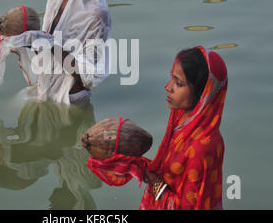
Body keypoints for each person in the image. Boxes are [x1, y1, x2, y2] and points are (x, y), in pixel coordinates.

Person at [86, 46, 228, 210]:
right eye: (172, 78)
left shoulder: (201, 147)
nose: (168, 87)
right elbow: (172, 172)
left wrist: (154, 182)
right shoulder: (182, 122)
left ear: (203, 93)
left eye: (179, 83)